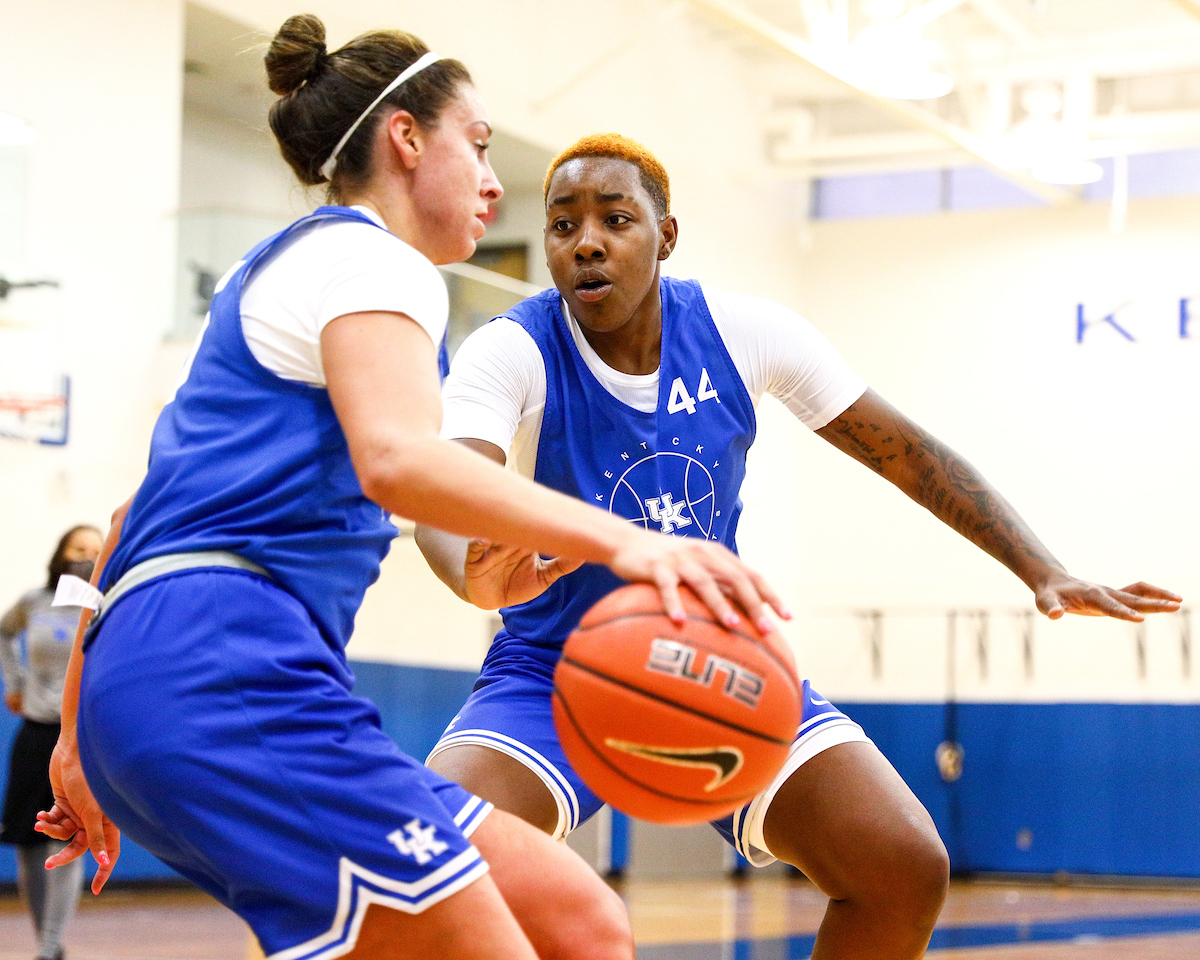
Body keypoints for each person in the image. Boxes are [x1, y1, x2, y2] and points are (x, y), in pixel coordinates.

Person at [32, 21, 785, 960]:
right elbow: (396, 459)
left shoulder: (272, 274)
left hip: (147, 679)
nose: (493, 178)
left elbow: (122, 524)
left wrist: (75, 734)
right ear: (405, 138)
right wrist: (631, 542)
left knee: (578, 921)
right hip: (225, 667)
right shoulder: (375, 261)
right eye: (476, 143)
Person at [415, 133, 1184, 960]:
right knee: (430, 866)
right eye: (563, 225)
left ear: (666, 236)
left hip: (711, 657)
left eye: (616, 218)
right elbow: (446, 492)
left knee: (902, 866)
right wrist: (470, 565)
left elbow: (907, 455)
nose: (586, 241)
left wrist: (1041, 567)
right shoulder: (512, 348)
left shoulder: (745, 331)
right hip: (553, 670)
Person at [0, 525, 100, 960]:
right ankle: (48, 945)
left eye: (96, 552)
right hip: (35, 735)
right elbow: (3, 634)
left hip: (81, 740)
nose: (85, 557)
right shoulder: (33, 603)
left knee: (68, 841)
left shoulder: (104, 607)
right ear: (61, 553)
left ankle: (48, 946)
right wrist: (14, 681)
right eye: (79, 549)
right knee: (29, 840)